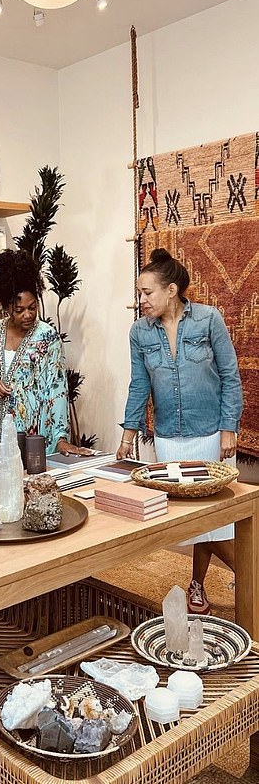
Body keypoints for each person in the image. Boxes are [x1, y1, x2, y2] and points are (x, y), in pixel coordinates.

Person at [117, 247, 243, 615]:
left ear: (172, 290)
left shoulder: (208, 320)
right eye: (139, 292)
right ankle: (222, 578)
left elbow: (230, 377)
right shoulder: (140, 332)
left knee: (213, 519)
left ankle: (211, 582)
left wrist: (228, 429)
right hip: (169, 437)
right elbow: (139, 384)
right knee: (188, 520)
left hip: (209, 433)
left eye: (147, 292)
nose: (141, 300)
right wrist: (129, 433)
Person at [0, 250, 89, 465]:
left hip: (33, 435)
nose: (28, 315)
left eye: (32, 307)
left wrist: (60, 437)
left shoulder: (47, 337)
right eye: (19, 310)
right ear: (6, 308)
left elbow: (57, 388)